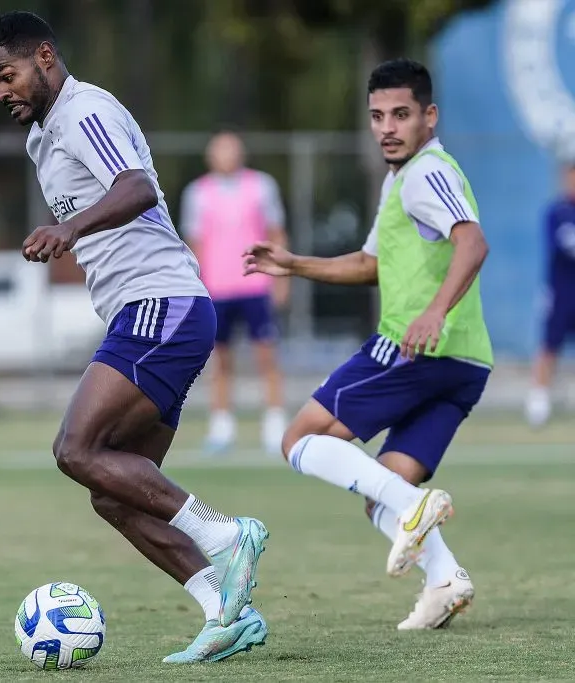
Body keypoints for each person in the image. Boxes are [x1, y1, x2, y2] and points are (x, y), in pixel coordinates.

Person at [0, 11, 269, 663]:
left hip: (159, 302)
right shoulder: (42, 139)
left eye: (8, 74)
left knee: (74, 447)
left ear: (45, 56)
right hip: (144, 313)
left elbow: (135, 187)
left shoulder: (85, 111)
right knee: (113, 491)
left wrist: (70, 229)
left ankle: (226, 535)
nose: (1, 90)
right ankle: (226, 611)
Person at [244, 58, 490, 630]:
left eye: (401, 114)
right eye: (377, 115)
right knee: (382, 491)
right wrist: (295, 263)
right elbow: (368, 263)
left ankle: (414, 510)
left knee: (299, 438)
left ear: (429, 117)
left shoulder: (428, 173)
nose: (387, 127)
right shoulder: (403, 178)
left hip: (415, 349)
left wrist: (432, 311)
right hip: (466, 364)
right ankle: (444, 579)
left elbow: (472, 243)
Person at [179, 131, 289, 456]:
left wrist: (282, 278)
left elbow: (276, 232)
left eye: (231, 150)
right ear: (210, 157)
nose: (226, 156)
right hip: (217, 290)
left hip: (255, 285)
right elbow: (194, 243)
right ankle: (221, 428)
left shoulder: (262, 186)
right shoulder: (197, 193)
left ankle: (274, 425)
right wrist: (195, 287)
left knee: (267, 357)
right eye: (220, 150)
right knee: (220, 361)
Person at [526, 161, 575, 427]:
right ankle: (538, 401)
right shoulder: (557, 213)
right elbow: (564, 246)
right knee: (549, 346)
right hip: (562, 294)